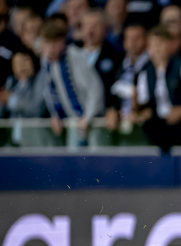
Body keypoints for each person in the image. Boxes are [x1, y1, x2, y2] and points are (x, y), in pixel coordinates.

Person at [41, 20, 105, 146]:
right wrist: (55, 114)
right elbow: (49, 91)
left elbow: (95, 89)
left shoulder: (75, 56)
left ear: (62, 42)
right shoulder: (46, 61)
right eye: (47, 43)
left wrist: (88, 117)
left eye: (54, 43)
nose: (50, 48)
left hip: (92, 121)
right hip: (73, 122)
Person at [135, 25, 181, 152]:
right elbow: (145, 105)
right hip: (159, 126)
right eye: (152, 45)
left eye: (160, 44)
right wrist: (142, 112)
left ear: (170, 45)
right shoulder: (145, 74)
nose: (156, 49)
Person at [80, 8, 124, 136]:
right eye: (87, 25)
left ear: (105, 29)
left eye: (95, 26)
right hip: (74, 119)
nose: (90, 30)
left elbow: (117, 85)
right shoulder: (70, 55)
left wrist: (113, 107)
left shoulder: (115, 56)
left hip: (102, 120)